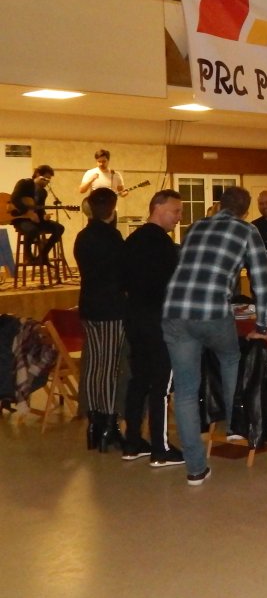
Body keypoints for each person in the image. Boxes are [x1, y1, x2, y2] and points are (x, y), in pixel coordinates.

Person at [162, 186, 267, 486]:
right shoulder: (247, 231)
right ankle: (234, 424)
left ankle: (196, 469)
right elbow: (262, 283)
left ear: (219, 205)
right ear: (246, 211)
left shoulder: (196, 226)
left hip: (175, 310)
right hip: (212, 310)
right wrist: (263, 327)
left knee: (185, 391)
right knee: (230, 356)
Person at [121, 189, 184, 466]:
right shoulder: (163, 245)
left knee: (139, 380)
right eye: (176, 211)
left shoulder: (132, 240)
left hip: (135, 319)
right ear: (158, 208)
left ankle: (132, 442)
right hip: (158, 321)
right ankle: (160, 448)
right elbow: (173, 286)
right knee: (160, 384)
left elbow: (123, 281)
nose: (178, 218)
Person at [74, 188, 127, 453]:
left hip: (88, 305)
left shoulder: (82, 236)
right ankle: (108, 425)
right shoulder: (112, 236)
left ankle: (93, 424)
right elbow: (123, 273)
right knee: (110, 368)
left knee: (94, 364)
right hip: (110, 308)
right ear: (112, 209)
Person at [8, 165, 65, 265]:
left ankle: (42, 255)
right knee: (32, 230)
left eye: (49, 180)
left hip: (35, 219)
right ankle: (28, 257)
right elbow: (14, 199)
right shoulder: (24, 183)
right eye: (45, 179)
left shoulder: (43, 192)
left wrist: (44, 217)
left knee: (59, 228)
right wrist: (28, 213)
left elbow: (40, 209)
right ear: (38, 174)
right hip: (21, 219)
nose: (47, 182)